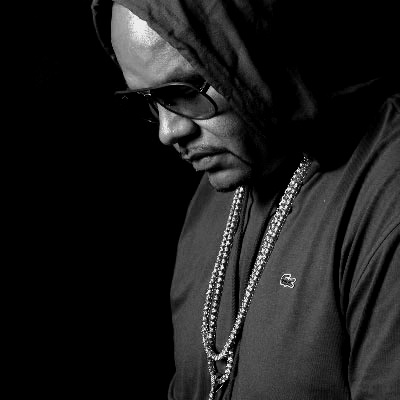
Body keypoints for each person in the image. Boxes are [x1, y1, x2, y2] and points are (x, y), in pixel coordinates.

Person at [92, 1, 399, 398]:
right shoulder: (214, 195)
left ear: (255, 51)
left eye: (183, 92)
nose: (168, 132)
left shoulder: (385, 191)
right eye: (149, 101)